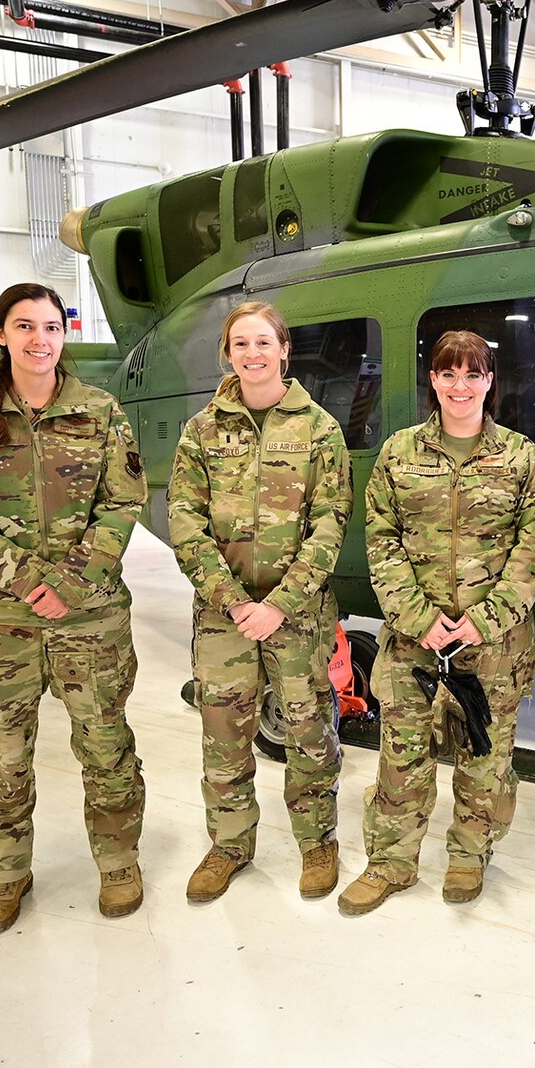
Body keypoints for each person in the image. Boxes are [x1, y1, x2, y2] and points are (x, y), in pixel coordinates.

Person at [0, 282, 148, 935]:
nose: (39, 339)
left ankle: (118, 862)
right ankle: (4, 872)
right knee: (4, 750)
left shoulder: (100, 412)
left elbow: (122, 503)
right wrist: (20, 576)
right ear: (1, 334)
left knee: (105, 744)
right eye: (25, 326)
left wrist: (72, 583)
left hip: (90, 617)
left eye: (51, 326)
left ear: (63, 335)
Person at [342, 329, 535, 915]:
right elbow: (381, 540)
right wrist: (416, 616)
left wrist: (483, 620)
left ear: (490, 381)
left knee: (486, 756)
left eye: (473, 374)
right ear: (432, 380)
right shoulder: (400, 453)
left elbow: (532, 551)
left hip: (494, 645)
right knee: (401, 754)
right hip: (415, 645)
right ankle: (390, 862)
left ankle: (469, 856)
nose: (460, 386)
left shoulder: (520, 458)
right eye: (448, 374)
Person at [169, 301, 353, 904]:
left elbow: (332, 523)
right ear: (229, 353)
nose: (252, 354)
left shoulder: (319, 429)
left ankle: (317, 841)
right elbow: (184, 518)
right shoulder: (202, 431)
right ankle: (229, 846)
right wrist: (229, 599)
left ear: (283, 349)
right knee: (223, 734)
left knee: (307, 731)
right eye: (240, 344)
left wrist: (280, 602)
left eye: (263, 342)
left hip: (296, 618)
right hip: (223, 620)